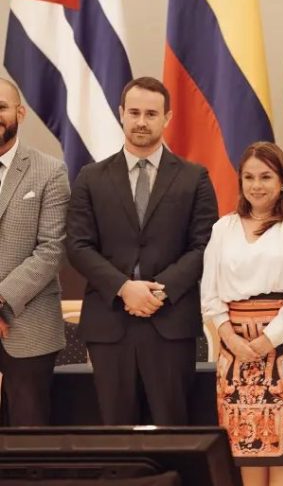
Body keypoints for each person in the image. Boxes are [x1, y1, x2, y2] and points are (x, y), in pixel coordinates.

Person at [66, 76, 218, 425]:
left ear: (167, 118)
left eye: (151, 114)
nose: (141, 122)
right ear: (121, 113)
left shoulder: (194, 177)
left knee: (172, 430)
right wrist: (124, 288)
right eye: (134, 112)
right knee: (117, 432)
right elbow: (77, 245)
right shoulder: (90, 177)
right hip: (110, 324)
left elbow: (205, 245)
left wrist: (159, 291)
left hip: (170, 322)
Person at [201, 141, 283, 486]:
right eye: (249, 177)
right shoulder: (223, 228)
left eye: (266, 176)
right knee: (247, 460)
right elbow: (209, 294)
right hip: (235, 356)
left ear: (282, 181)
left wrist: (269, 339)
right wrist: (230, 337)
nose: (257, 185)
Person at [0, 78, 70, 425]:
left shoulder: (50, 170)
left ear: (20, 113)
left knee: (28, 435)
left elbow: (51, 250)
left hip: (28, 327)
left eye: (1, 107)